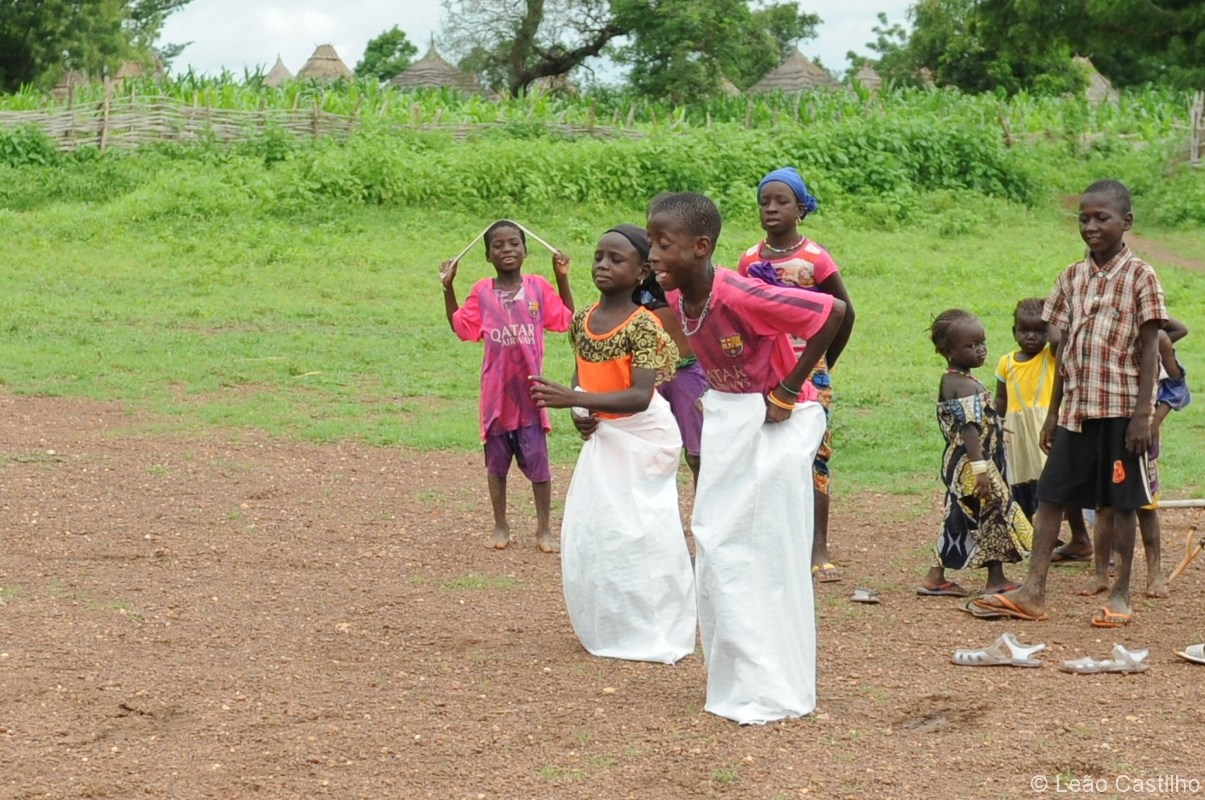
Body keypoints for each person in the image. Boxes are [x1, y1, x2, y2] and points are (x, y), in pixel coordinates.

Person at [647, 191, 846, 724]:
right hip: (732, 421)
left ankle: (775, 681)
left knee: (765, 551)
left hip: (779, 425)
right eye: (650, 242)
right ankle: (738, 674)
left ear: (701, 247)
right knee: (716, 543)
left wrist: (788, 389)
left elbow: (833, 312)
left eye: (663, 244)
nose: (652, 254)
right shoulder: (678, 299)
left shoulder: (739, 293)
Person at [973, 180, 1166, 626]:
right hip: (1077, 411)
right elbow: (1060, 353)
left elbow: (1151, 350)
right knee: (1051, 496)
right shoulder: (1071, 278)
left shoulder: (1142, 276)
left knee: (1122, 503)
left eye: (1103, 218)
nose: (1092, 226)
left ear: (1127, 223)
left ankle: (1121, 594)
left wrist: (1143, 416)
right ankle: (1033, 590)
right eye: (1084, 218)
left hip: (1121, 411)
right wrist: (1055, 413)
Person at [529, 224, 696, 664]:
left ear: (642, 272)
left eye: (616, 259)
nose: (603, 265)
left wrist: (576, 400)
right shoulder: (583, 320)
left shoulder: (641, 325)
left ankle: (654, 622)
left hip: (646, 438)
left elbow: (640, 396)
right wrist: (582, 413)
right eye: (599, 257)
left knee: (641, 530)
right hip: (608, 433)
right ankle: (611, 620)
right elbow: (582, 373)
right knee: (599, 529)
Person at [737, 167, 856, 584]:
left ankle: (817, 546)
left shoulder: (814, 259)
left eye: (781, 201)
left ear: (800, 209)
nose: (771, 208)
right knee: (767, 452)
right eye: (764, 201)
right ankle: (769, 540)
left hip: (810, 370)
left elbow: (845, 312)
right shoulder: (749, 259)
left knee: (815, 456)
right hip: (769, 369)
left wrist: (823, 363)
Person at [441, 219, 573, 553]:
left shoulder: (539, 288)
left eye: (514, 243)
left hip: (531, 396)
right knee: (496, 466)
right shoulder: (483, 292)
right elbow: (461, 328)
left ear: (526, 251)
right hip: (496, 398)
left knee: (540, 467)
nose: (507, 250)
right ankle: (500, 525)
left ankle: (544, 530)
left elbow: (567, 318)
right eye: (498, 246)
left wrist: (562, 278)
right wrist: (448, 288)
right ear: (487, 255)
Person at [920, 309, 1033, 597]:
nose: (980, 350)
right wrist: (981, 469)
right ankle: (996, 579)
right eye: (970, 346)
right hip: (973, 466)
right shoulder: (960, 384)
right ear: (948, 351)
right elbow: (969, 430)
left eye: (982, 342)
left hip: (971, 464)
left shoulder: (961, 380)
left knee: (961, 516)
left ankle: (935, 577)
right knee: (992, 514)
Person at [1077, 317, 1190, 600]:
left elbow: (1176, 387)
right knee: (1104, 506)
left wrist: (1153, 424)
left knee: (1145, 506)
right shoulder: (1104, 337)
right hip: (1105, 430)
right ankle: (1100, 573)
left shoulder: (1158, 340)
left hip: (1140, 437)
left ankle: (1155, 573)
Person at [992, 298, 1092, 559]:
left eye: (1039, 331)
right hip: (1016, 432)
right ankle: (1024, 535)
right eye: (1024, 331)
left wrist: (1054, 320)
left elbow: (1059, 342)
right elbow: (1001, 398)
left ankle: (1077, 537)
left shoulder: (1051, 356)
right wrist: (994, 423)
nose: (1031, 337)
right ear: (1013, 331)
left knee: (1057, 485)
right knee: (1018, 483)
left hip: (1045, 428)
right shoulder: (1006, 362)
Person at [632, 270, 706, 487]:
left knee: (698, 453)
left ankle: (706, 514)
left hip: (686, 371)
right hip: (648, 375)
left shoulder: (681, 280)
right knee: (651, 451)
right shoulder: (627, 287)